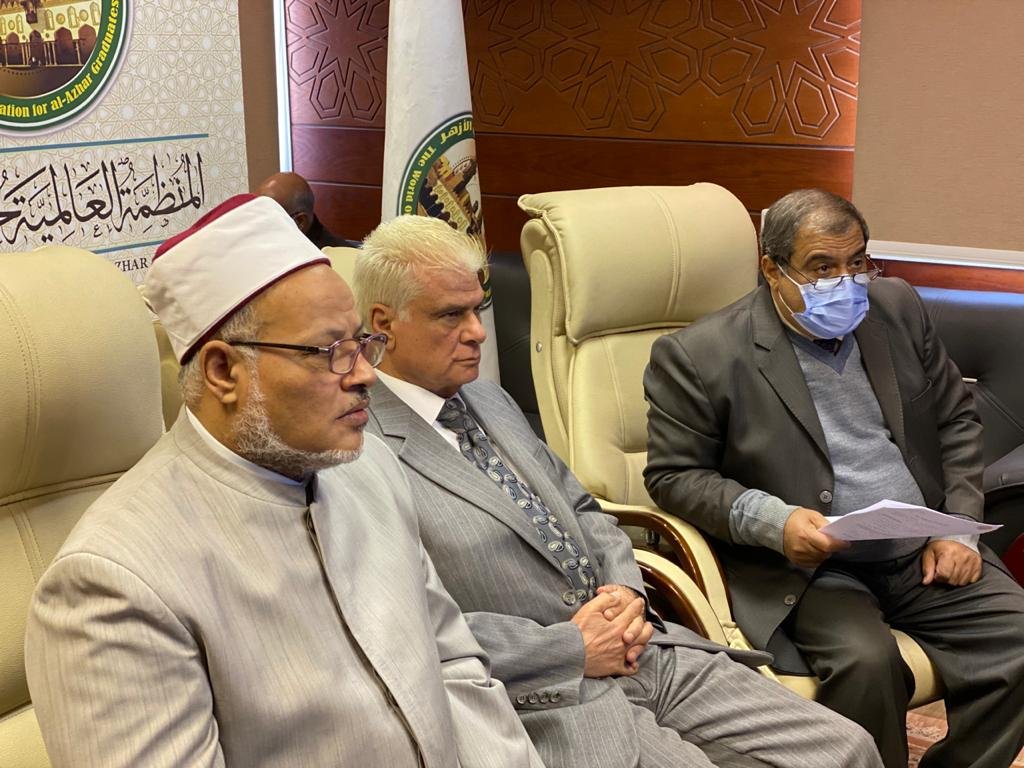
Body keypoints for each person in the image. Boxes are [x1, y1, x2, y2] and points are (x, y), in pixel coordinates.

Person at [24, 195, 543, 768]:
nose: (366, 375)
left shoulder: (369, 469)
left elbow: (455, 668)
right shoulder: (113, 583)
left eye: (361, 344)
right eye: (330, 352)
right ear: (224, 371)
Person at [354, 213, 882, 768]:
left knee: (847, 749)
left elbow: (585, 509)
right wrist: (572, 647)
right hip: (546, 693)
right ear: (384, 323)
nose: (478, 332)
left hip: (645, 648)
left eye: (477, 309)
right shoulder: (360, 452)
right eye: (450, 315)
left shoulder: (489, 401)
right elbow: (403, 630)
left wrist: (626, 594)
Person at [643, 188, 1024, 768]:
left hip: (921, 547)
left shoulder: (896, 307)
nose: (845, 283)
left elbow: (956, 420)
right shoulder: (700, 354)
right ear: (772, 268)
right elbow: (675, 475)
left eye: (857, 262)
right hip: (812, 570)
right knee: (866, 664)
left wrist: (959, 529)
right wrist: (774, 521)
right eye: (822, 267)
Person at [255, 170, 359, 248]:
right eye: (254, 213)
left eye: (267, 220)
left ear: (300, 221)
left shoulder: (338, 263)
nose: (256, 225)